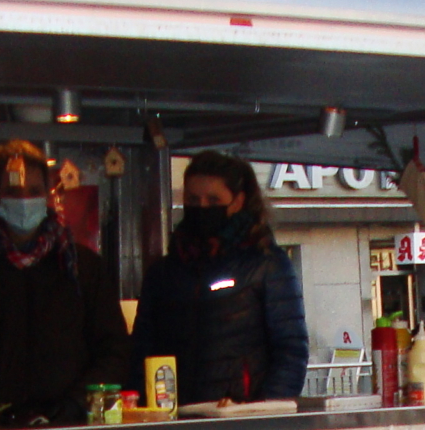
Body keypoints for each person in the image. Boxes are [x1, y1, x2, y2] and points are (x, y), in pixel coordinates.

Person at [0, 138, 132, 423]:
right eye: (13, 191)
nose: (24, 201)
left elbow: (113, 351)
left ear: (47, 194)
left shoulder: (83, 268)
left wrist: (76, 404)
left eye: (33, 191)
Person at [130, 151, 308, 404]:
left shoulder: (267, 264)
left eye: (213, 200)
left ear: (238, 201)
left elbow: (291, 349)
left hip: (239, 418)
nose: (202, 208)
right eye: (193, 199)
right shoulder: (164, 272)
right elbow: (142, 351)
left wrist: (265, 410)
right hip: (173, 417)